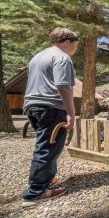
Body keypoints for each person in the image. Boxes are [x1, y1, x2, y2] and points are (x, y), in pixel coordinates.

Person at [22, 28, 79, 207]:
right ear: (67, 41)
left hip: (32, 105)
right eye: (76, 44)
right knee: (47, 148)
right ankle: (35, 193)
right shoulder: (62, 57)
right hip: (51, 107)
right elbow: (63, 87)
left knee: (46, 144)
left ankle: (46, 180)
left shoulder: (38, 57)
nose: (76, 47)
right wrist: (70, 112)